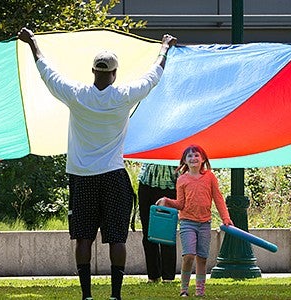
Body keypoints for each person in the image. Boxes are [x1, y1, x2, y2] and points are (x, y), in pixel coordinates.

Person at [18, 27, 177, 300]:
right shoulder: (124, 95)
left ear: (93, 71)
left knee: (83, 237)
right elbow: (153, 77)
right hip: (114, 175)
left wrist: (32, 42)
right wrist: (164, 48)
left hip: (82, 176)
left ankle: (86, 296)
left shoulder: (77, 94)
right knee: (117, 238)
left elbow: (47, 73)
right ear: (114, 74)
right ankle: (115, 295)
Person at [156, 144, 233, 297]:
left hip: (205, 223)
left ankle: (200, 290)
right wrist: (166, 201)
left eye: (196, 155)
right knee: (189, 255)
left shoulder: (210, 177)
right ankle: (184, 289)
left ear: (203, 159)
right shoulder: (182, 179)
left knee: (202, 258)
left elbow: (218, 198)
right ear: (184, 160)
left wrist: (226, 218)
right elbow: (180, 204)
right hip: (187, 222)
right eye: (190, 156)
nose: (193, 158)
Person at [137, 163, 178, 283]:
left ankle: (168, 277)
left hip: (169, 185)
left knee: (167, 232)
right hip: (146, 183)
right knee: (148, 233)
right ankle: (153, 276)